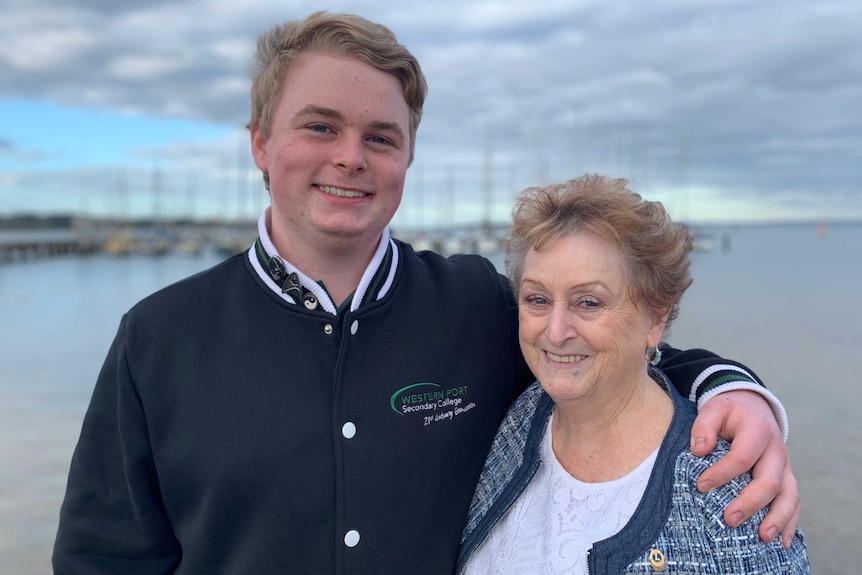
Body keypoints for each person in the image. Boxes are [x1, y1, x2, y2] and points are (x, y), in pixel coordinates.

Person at [54, 12, 798, 575]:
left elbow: (610, 355)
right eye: (320, 126)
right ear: (260, 142)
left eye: (381, 137)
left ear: (408, 156)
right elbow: (103, 559)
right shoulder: (158, 338)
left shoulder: (476, 302)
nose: (351, 157)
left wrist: (737, 390)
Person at [457, 175, 810, 574]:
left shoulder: (726, 493)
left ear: (656, 317)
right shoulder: (517, 421)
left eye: (588, 302)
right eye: (537, 299)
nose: (555, 332)